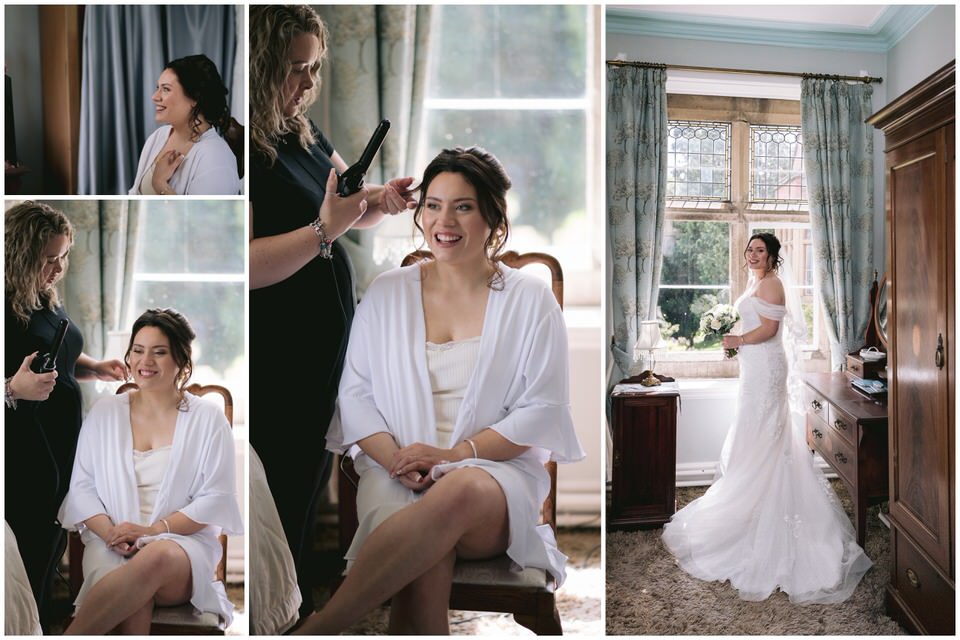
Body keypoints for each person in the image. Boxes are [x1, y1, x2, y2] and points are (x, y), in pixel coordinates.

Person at [296, 146, 585, 634]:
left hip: (494, 479)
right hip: (395, 470)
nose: (443, 220)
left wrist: (453, 454)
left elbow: (541, 410)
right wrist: (396, 461)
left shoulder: (531, 300)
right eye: (432, 204)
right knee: (426, 551)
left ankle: (324, 626)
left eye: (463, 206)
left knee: (460, 488)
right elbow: (357, 396)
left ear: (493, 215)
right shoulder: (387, 292)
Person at [248, 4, 416, 616]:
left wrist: (381, 198)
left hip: (326, 345)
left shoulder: (303, 131)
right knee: (282, 489)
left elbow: (347, 202)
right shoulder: (238, 148)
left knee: (307, 485)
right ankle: (276, 614)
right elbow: (246, 264)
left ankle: (292, 606)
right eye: (296, 69)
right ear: (260, 65)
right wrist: (324, 231)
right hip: (279, 349)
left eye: (316, 69)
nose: (309, 84)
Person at [661, 232, 872, 603]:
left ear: (773, 256)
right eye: (750, 250)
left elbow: (771, 330)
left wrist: (737, 340)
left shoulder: (773, 284)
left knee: (763, 431)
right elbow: (754, 321)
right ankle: (744, 500)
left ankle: (761, 513)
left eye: (760, 250)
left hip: (767, 368)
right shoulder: (756, 281)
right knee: (752, 430)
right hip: (754, 368)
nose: (753, 255)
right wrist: (733, 334)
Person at [58, 308, 243, 634]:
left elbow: (216, 498)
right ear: (128, 356)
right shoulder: (104, 413)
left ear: (181, 361)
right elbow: (83, 488)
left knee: (152, 559)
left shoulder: (208, 419)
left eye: (160, 352)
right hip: (110, 542)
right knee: (134, 591)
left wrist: (152, 531)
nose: (146, 362)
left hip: (180, 548)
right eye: (138, 351)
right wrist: (111, 534)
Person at [4, 201, 128, 627]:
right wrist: (11, 388)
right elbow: (18, 377)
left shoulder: (41, 296)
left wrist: (92, 367)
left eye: (64, 256)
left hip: (62, 447)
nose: (59, 268)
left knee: (47, 552)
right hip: (22, 450)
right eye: (48, 259)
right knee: (28, 559)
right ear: (20, 256)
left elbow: (52, 355)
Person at [129, 54, 240, 195]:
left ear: (194, 97)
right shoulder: (157, 137)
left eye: (166, 89)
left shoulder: (216, 158)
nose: (154, 96)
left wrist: (160, 184)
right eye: (158, 87)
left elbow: (202, 217)